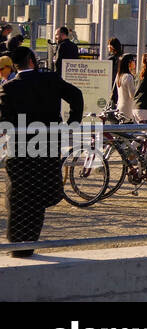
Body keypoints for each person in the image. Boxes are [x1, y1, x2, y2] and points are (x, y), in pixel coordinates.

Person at [0, 46, 85, 254]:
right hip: (48, 144)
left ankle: (17, 246)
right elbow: (76, 95)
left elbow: (5, 120)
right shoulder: (51, 80)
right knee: (38, 195)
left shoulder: (9, 88)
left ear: (15, 65)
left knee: (18, 196)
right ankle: (31, 242)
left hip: (20, 147)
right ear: (31, 60)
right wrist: (72, 123)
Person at [115, 53, 140, 122]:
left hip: (119, 107)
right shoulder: (128, 77)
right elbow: (132, 95)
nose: (135, 62)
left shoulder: (119, 75)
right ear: (129, 63)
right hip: (127, 109)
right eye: (133, 60)